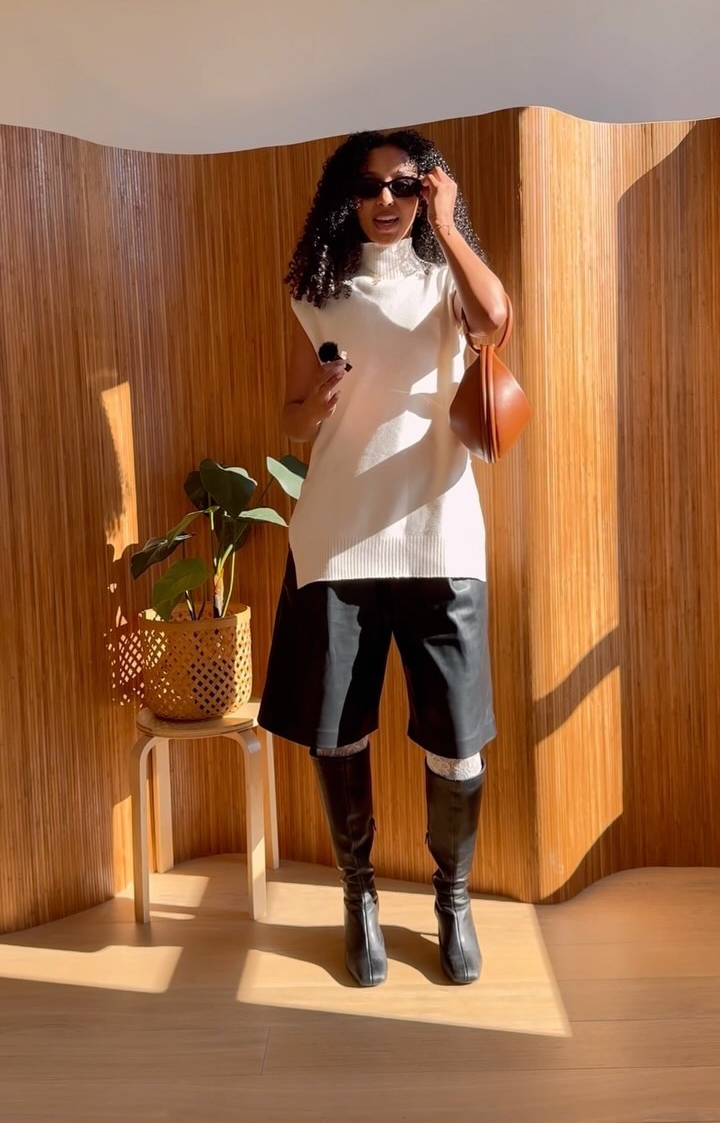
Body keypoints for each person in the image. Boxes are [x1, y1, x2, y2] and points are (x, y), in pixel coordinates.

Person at [259, 128, 507, 987]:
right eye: (370, 188)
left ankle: (453, 901)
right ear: (347, 198)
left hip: (441, 532)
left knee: (458, 744)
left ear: (427, 190)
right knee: (340, 737)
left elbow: (497, 322)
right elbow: (291, 418)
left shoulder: (445, 277)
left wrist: (450, 223)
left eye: (405, 186)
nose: (387, 201)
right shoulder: (315, 289)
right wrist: (317, 404)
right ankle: (358, 896)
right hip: (337, 535)